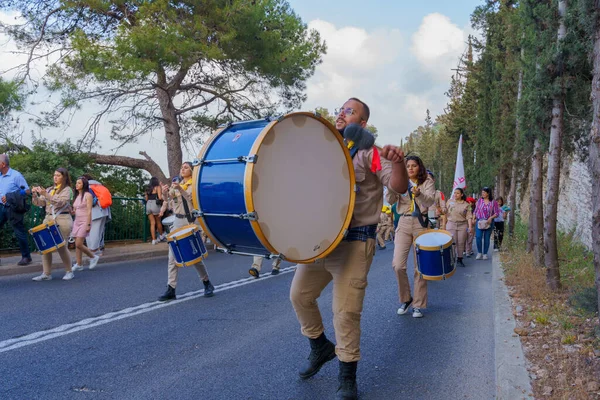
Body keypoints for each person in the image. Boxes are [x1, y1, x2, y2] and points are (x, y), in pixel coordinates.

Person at [289, 97, 408, 400]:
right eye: (341, 109)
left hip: (355, 241)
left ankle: (347, 377)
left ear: (363, 123)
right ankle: (320, 348)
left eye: (350, 111)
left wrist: (397, 162)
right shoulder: (328, 150)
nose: (342, 113)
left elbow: (397, 187)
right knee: (300, 296)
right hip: (322, 242)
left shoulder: (369, 152)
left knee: (345, 312)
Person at [158, 162, 215, 301]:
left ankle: (207, 282)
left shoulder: (194, 185)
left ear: (191, 171)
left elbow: (191, 200)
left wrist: (180, 189)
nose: (182, 169)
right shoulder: (176, 184)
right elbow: (169, 203)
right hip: (177, 222)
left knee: (194, 255)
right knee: (172, 257)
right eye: (181, 167)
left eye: (185, 168)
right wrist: (165, 193)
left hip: (190, 221)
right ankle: (171, 288)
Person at [389, 155, 435, 319]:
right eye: (407, 165)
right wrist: (392, 188)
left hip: (420, 223)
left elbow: (429, 201)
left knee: (420, 266)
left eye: (414, 165)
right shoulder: (401, 181)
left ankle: (418, 305)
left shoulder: (427, 180)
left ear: (419, 167)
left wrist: (419, 193)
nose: (410, 168)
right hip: (403, 222)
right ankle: (406, 298)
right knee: (398, 265)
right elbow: (390, 200)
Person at [30, 168, 75, 281]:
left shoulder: (67, 190)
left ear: (64, 177)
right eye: (54, 175)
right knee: (45, 246)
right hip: (48, 219)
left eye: (58, 175)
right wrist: (35, 195)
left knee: (61, 247)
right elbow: (40, 203)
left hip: (62, 218)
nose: (55, 177)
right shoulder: (50, 189)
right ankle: (46, 273)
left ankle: (69, 271)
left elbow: (60, 202)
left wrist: (45, 194)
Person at [0, 154, 33, 265]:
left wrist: (11, 195)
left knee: (19, 232)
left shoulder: (16, 175)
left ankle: (26, 257)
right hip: (1, 207)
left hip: (13, 208)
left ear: (3, 164)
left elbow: (27, 191)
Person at [71, 177, 100, 271]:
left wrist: (88, 224)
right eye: (76, 183)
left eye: (79, 183)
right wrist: (72, 211)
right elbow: (75, 209)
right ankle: (79, 264)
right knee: (77, 244)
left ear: (84, 184)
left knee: (79, 243)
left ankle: (93, 257)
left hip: (84, 221)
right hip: (77, 221)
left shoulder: (88, 195)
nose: (76, 184)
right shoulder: (77, 196)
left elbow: (89, 211)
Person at [443, 188, 473, 268]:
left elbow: (469, 216)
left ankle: (460, 259)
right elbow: (445, 213)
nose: (455, 195)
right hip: (451, 224)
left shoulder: (467, 205)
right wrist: (443, 225)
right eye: (454, 193)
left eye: (457, 193)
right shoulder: (449, 202)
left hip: (462, 225)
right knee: (452, 242)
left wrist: (470, 227)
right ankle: (451, 258)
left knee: (461, 242)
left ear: (462, 194)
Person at [82, 174, 111, 256]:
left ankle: (93, 250)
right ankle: (97, 249)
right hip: (104, 211)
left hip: (94, 212)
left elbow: (89, 202)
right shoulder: (99, 186)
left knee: (92, 231)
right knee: (99, 231)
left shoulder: (87, 187)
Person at [474, 187, 500, 260]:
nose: (483, 194)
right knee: (478, 237)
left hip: (488, 222)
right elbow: (475, 210)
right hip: (479, 221)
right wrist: (473, 218)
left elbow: (497, 213)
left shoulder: (493, 202)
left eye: (484, 192)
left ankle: (485, 253)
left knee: (486, 238)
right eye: (482, 192)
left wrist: (491, 217)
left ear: (488, 193)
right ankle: (479, 252)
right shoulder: (479, 201)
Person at [145, 176, 166, 245]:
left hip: (148, 205)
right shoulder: (158, 187)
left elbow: (146, 199)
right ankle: (161, 235)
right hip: (155, 204)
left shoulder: (147, 188)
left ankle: (153, 240)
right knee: (158, 221)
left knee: (152, 223)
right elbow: (160, 197)